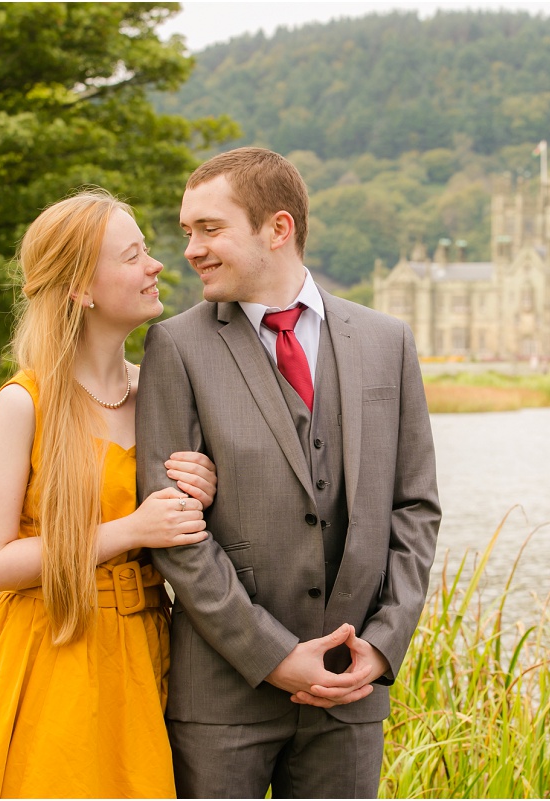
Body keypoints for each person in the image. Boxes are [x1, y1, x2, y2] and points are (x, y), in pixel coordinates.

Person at [136, 147, 441, 798]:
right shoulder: (176, 346)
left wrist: (383, 645)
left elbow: (415, 507)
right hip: (223, 697)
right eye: (187, 231)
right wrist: (272, 655)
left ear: (277, 228)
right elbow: (175, 530)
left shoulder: (387, 341)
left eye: (209, 229)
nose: (190, 249)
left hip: (350, 691)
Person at [0, 188, 217, 798]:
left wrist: (203, 488)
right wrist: (130, 530)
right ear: (80, 286)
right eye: (132, 256)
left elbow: (184, 528)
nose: (157, 265)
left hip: (150, 651)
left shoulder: (163, 390)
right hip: (52, 655)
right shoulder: (24, 402)